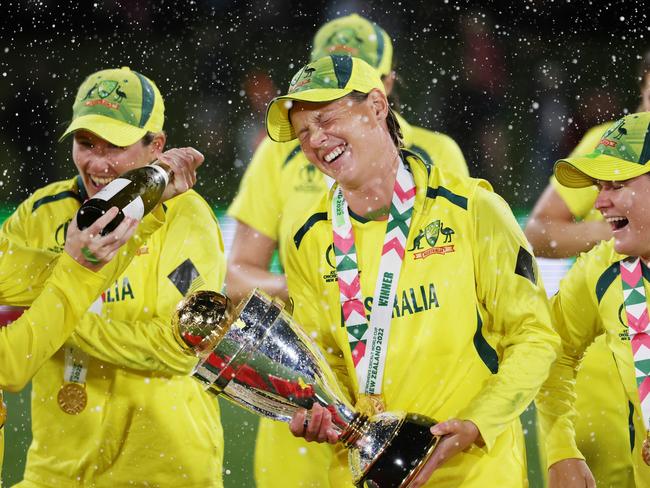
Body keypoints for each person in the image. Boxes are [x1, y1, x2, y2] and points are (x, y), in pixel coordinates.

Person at [263, 55, 559, 487]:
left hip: (473, 472)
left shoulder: (472, 209)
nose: (317, 140)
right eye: (304, 132)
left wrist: (477, 423)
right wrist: (317, 408)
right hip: (366, 473)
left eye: (326, 118)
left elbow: (534, 337)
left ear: (378, 106)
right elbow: (323, 358)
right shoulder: (309, 236)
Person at [226, 14, 469, 486]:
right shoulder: (281, 154)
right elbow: (238, 276)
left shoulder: (438, 153)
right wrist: (324, 291)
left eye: (359, 76)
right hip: (315, 406)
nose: (321, 128)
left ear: (384, 90)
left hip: (422, 408)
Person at [2, 67, 226, 487]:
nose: (98, 163)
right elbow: (11, 354)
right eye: (86, 143)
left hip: (165, 471)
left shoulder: (185, 215)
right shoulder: (38, 213)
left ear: (155, 145)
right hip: (56, 473)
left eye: (116, 146)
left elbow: (180, 347)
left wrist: (56, 317)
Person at [524, 55, 650, 487]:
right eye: (599, 187)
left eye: (616, 184)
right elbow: (553, 350)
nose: (598, 202)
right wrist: (561, 450)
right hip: (606, 410)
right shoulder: (606, 267)